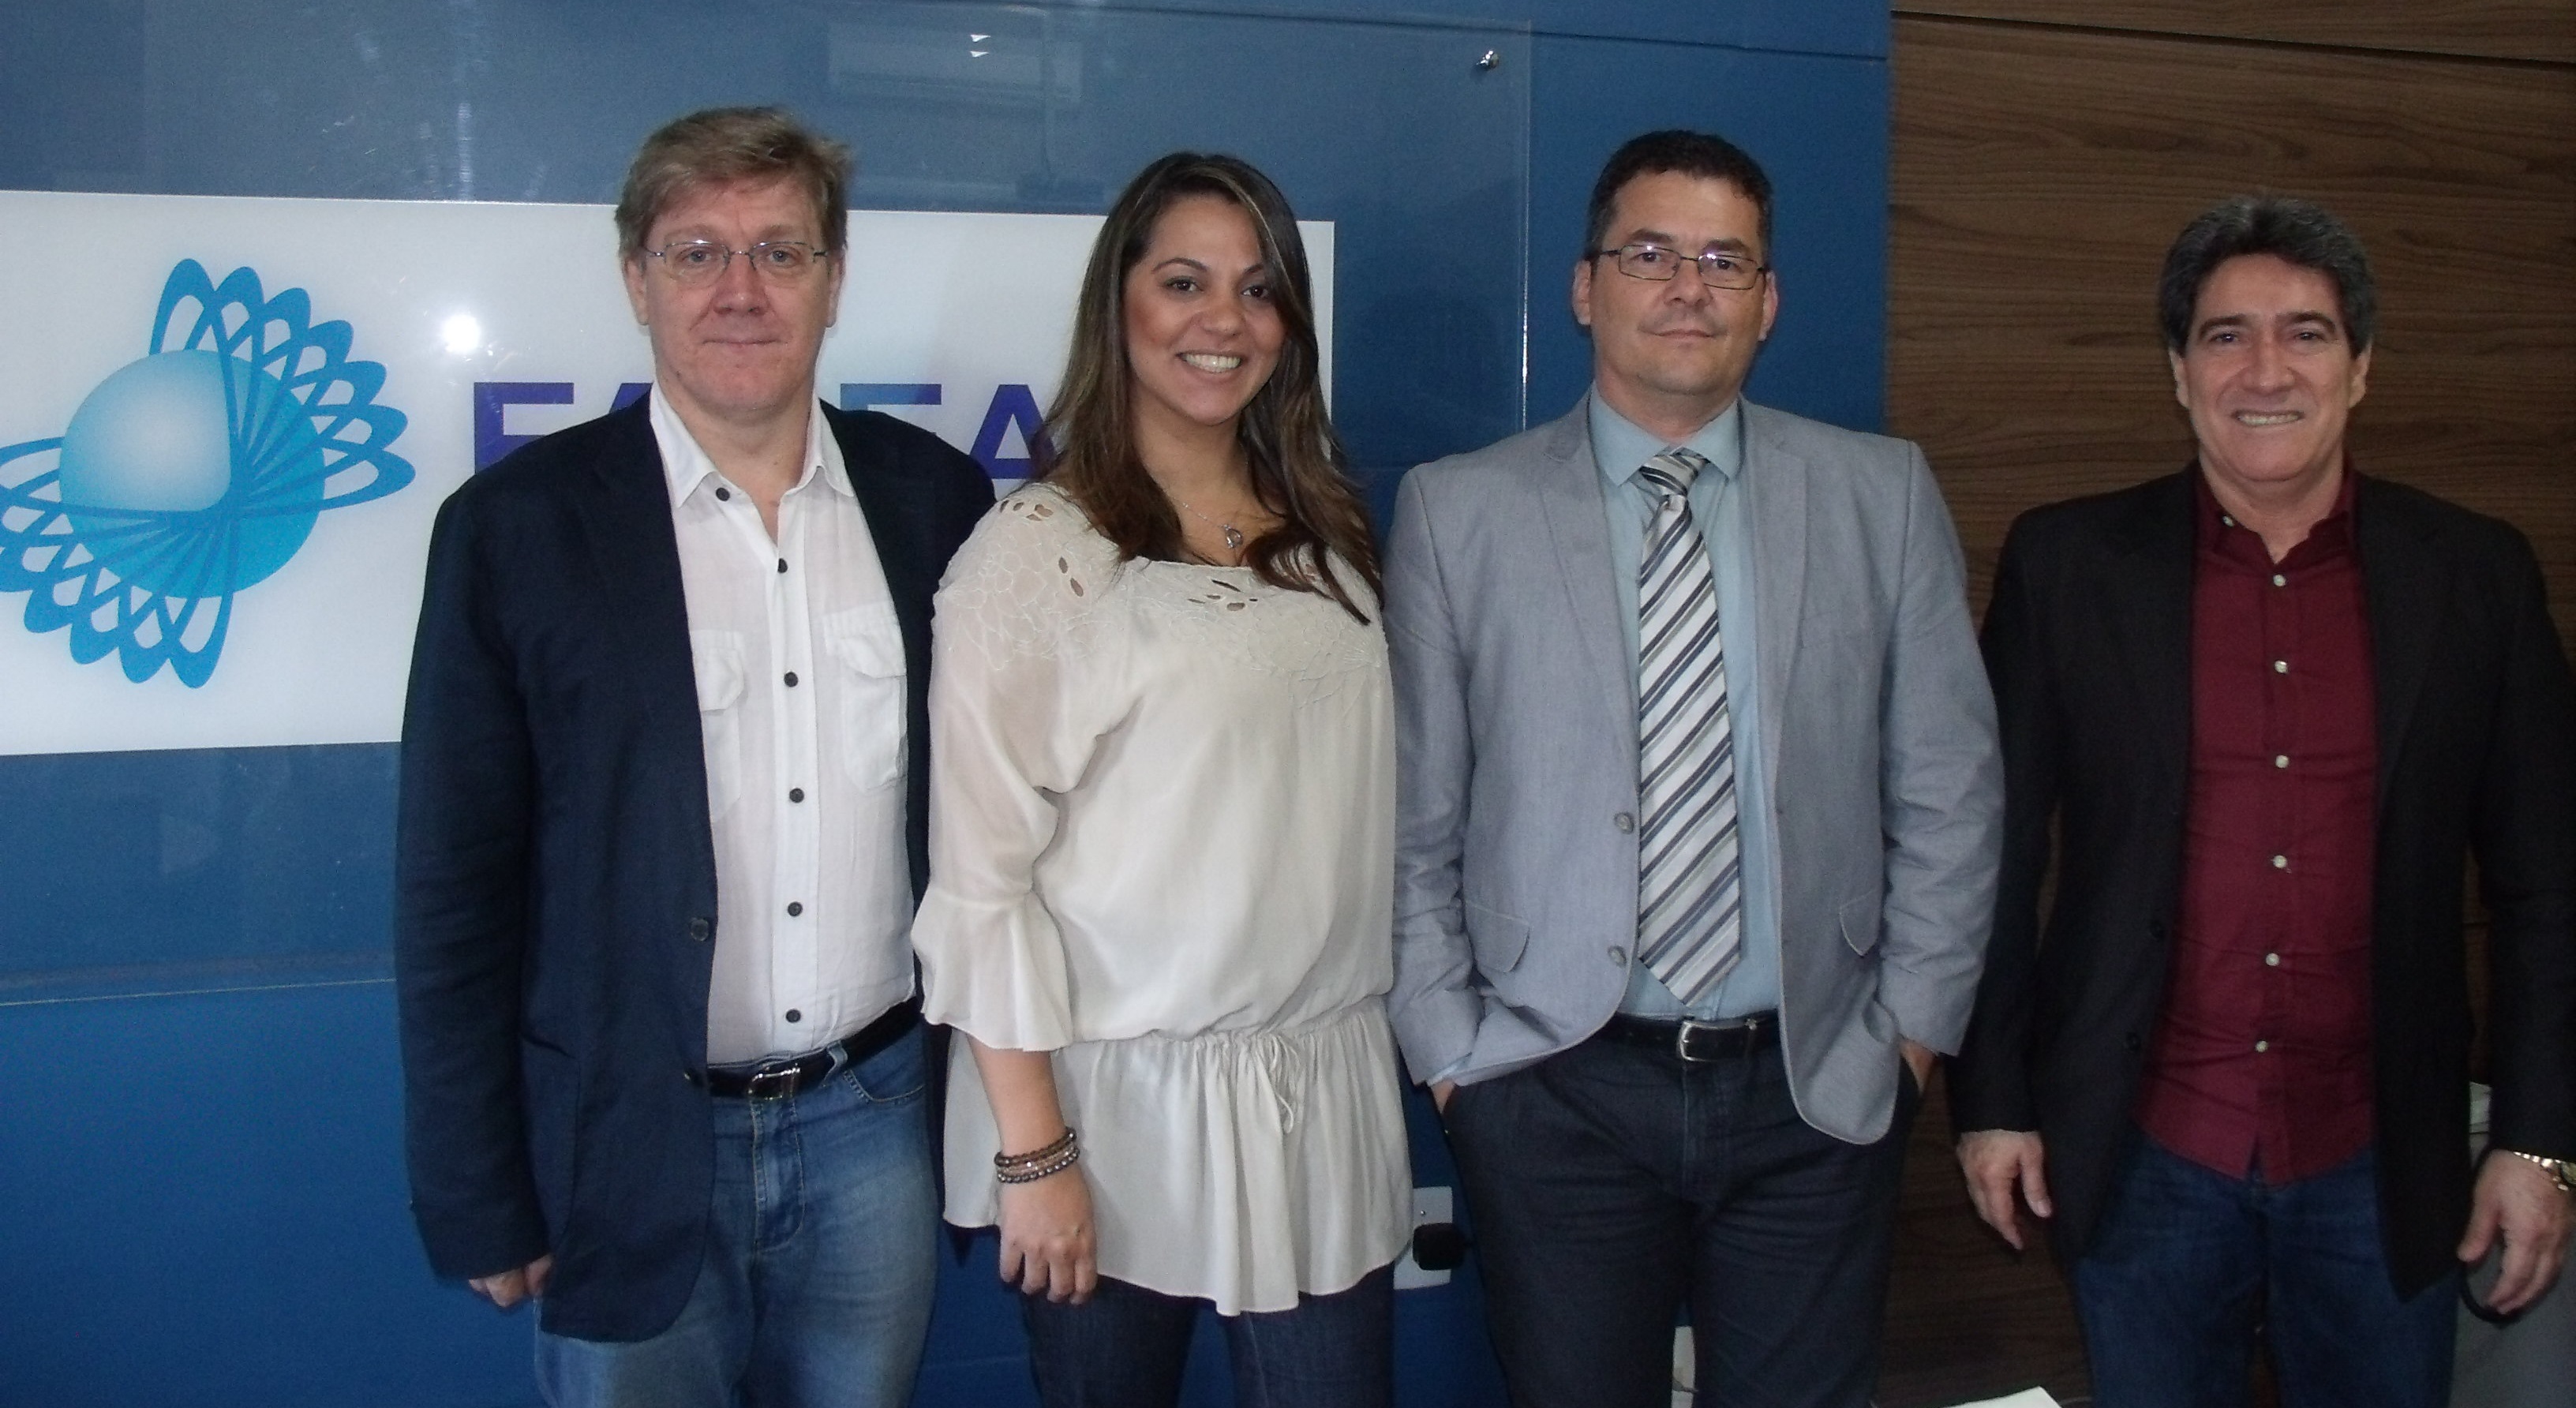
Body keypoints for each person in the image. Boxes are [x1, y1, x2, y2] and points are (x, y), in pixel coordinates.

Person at [1383, 128, 2004, 1407]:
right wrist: (1459, 1063)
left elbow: (1950, 789)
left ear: (1767, 302)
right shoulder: (1460, 511)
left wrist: (1909, 1040)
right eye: (1651, 254)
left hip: (1815, 1086)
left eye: (1726, 262)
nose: (1688, 288)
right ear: (1585, 286)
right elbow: (1411, 822)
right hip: (1553, 1086)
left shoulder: (1880, 495)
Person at [393, 107, 992, 1406]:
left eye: (780, 252)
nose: (740, 290)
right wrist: (479, 1191)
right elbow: (454, 886)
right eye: (696, 252)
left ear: (834, 277)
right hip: (625, 1141)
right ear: (636, 279)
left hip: (876, 1125)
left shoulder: (936, 500)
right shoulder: (516, 530)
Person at [1949, 194, 2576, 1406]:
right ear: (2179, 372)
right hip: (2143, 1151)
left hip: (2380, 1163)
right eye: (2226, 336)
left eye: (2307, 333)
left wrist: (2539, 1140)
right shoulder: (2068, 566)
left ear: (2361, 368)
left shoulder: (2477, 576)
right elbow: (1994, 854)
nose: (2266, 370)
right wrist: (1995, 1103)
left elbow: (2547, 885)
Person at [911, 152, 1409, 1408]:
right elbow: (981, 879)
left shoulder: (1330, 529)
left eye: (1258, 288)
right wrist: (1036, 1156)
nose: (1222, 320)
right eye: (1184, 282)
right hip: (1113, 1121)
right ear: (1118, 303)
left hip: (1322, 1099)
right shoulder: (1039, 555)